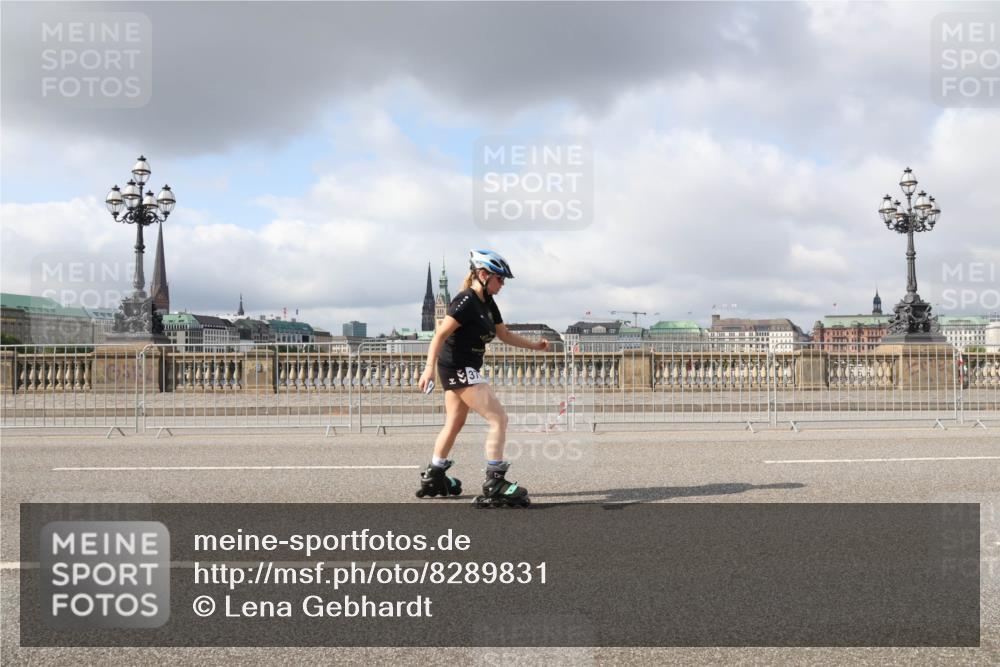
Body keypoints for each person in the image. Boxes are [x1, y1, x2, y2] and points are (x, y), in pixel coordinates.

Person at [416, 249, 549, 507]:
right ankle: (495, 481)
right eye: (500, 279)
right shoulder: (465, 301)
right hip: (458, 366)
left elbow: (504, 334)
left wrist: (535, 346)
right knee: (498, 418)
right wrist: (428, 368)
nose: (503, 284)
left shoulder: (487, 302)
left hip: (462, 366)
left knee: (454, 423)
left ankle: (435, 473)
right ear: (484, 275)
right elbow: (439, 335)